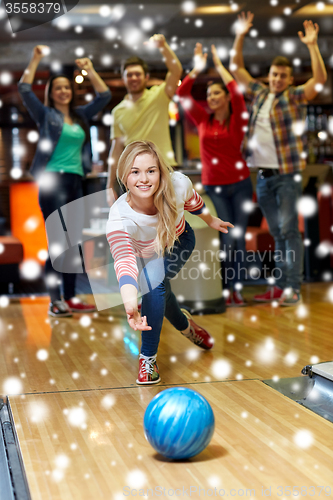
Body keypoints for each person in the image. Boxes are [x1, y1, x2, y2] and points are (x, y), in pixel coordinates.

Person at [106, 141, 233, 384]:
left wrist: (211, 220)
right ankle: (187, 327)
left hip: (179, 241)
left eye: (151, 171)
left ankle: (147, 360)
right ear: (124, 176)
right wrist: (131, 306)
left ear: (160, 172)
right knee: (159, 290)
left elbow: (194, 202)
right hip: (147, 254)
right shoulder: (118, 218)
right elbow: (124, 264)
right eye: (135, 172)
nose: (144, 179)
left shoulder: (177, 184)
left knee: (154, 286)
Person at [230, 13, 327, 306]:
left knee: (288, 232)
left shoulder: (294, 97)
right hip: (263, 177)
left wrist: (312, 46)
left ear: (289, 79)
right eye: (274, 75)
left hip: (286, 176)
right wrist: (240, 35)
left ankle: (292, 288)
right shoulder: (259, 94)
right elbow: (237, 68)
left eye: (282, 76)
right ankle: (282, 284)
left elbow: (319, 80)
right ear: (269, 76)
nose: (277, 79)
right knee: (277, 233)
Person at [18, 45, 111, 317]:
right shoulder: (46, 115)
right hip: (53, 182)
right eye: (57, 88)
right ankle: (54, 300)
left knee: (74, 245)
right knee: (59, 244)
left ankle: (70, 297)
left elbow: (104, 95)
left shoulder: (81, 116)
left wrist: (90, 70)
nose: (63, 91)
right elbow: (24, 90)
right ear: (51, 93)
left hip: (76, 183)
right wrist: (35, 59)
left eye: (66, 88)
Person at [177, 43, 252, 306]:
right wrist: (197, 69)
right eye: (208, 94)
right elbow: (182, 92)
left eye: (216, 93)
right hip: (216, 188)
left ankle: (237, 290)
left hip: (241, 185)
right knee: (226, 236)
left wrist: (219, 66)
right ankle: (225, 288)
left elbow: (238, 92)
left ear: (226, 97)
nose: (211, 97)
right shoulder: (201, 119)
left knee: (238, 237)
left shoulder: (238, 118)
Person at [106, 34, 182, 205]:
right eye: (129, 75)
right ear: (123, 79)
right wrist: (109, 184)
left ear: (146, 77)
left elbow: (176, 70)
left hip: (164, 169)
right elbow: (116, 150)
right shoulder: (118, 111)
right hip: (135, 174)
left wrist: (163, 45)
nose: (134, 78)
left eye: (137, 74)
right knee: (140, 226)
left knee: (171, 223)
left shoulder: (159, 95)